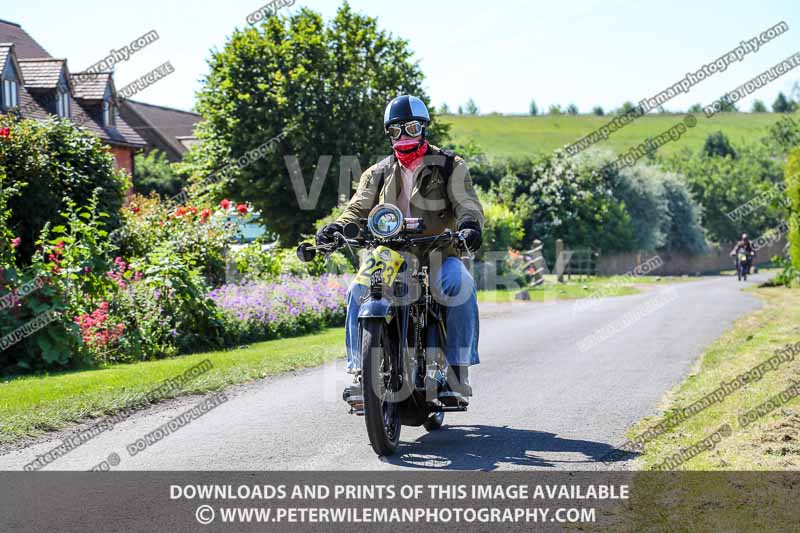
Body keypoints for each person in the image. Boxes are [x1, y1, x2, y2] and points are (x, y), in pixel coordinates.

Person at [316, 95, 484, 403]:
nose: (404, 136)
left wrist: (471, 226)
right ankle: (360, 373)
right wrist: (337, 227)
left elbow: (467, 204)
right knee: (358, 289)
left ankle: (457, 370)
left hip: (439, 250)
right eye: (396, 130)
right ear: (389, 133)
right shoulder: (377, 172)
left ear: (424, 128)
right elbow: (357, 208)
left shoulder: (449, 165)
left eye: (411, 128)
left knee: (461, 284)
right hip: (389, 253)